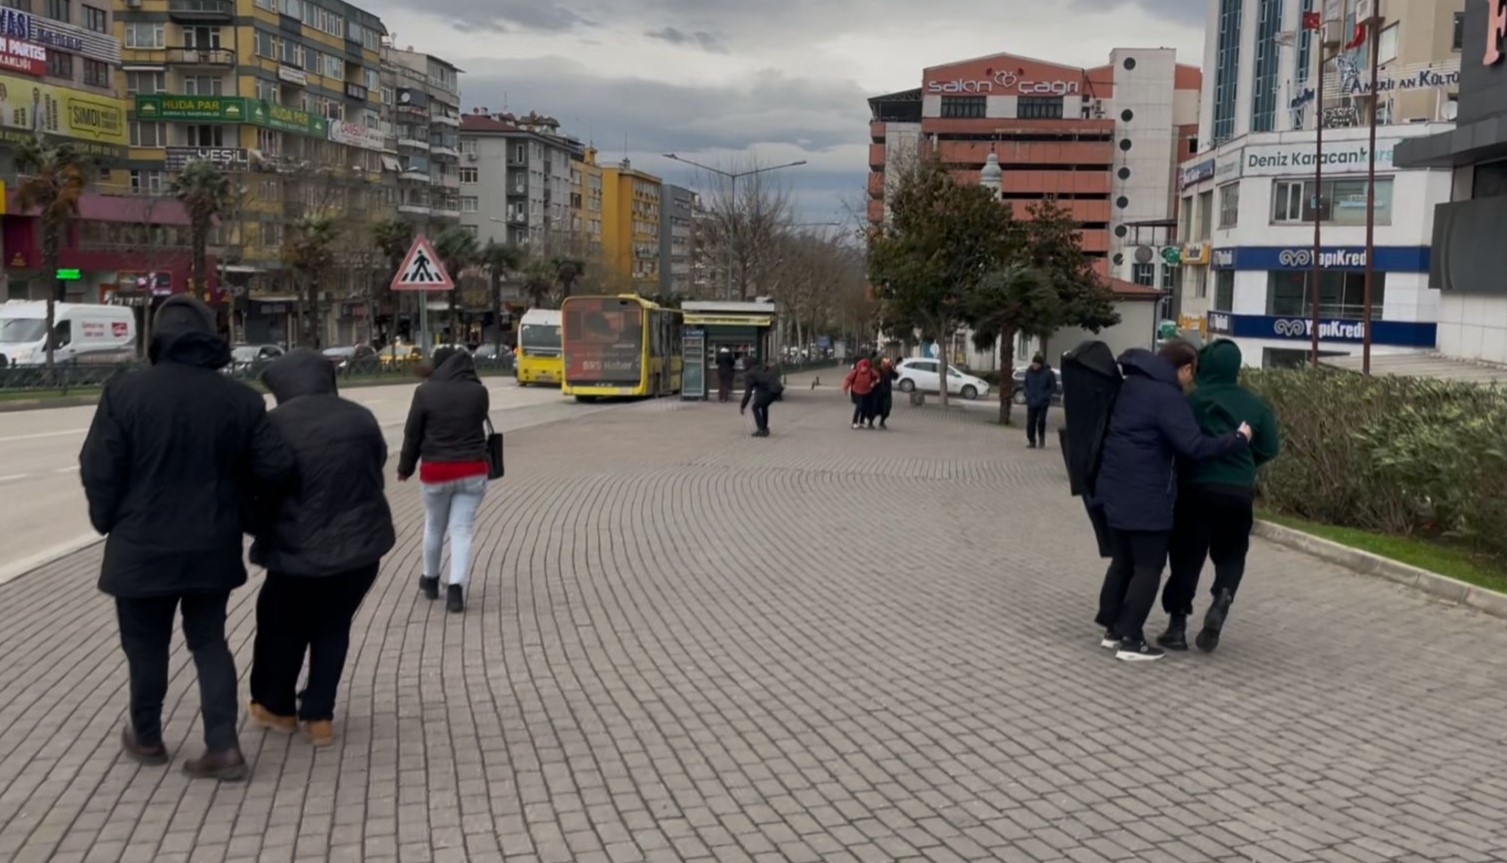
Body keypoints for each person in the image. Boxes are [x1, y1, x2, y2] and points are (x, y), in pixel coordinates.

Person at [80, 296, 293, 781]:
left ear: (158, 338)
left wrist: (107, 519)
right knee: (209, 642)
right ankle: (223, 747)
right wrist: (243, 510)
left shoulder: (124, 393)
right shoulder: (240, 399)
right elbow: (276, 467)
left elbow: (99, 467)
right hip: (211, 544)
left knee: (146, 646)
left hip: (140, 545)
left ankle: (148, 737)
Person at [247, 350, 396, 747]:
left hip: (296, 550)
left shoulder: (273, 424)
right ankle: (319, 717)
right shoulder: (359, 416)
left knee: (283, 627)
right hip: (361, 550)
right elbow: (376, 464)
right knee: (333, 627)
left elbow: (259, 485)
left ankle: (276, 709)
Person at [1091, 341, 1251, 662]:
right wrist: (1237, 439)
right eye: (1192, 373)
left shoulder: (1132, 385)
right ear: (1186, 368)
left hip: (1115, 488)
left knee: (1123, 562)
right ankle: (1132, 641)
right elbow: (1193, 446)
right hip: (1147, 495)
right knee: (1149, 567)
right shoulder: (1167, 396)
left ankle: (1113, 629)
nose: (1191, 381)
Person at [1158, 339, 1280, 653]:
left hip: (1195, 489)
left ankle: (1176, 627)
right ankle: (1223, 593)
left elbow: (1177, 439)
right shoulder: (1255, 404)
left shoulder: (1191, 400)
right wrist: (1245, 462)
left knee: (1186, 557)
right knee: (1232, 553)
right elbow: (1269, 447)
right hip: (1237, 491)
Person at [398, 346, 491, 614]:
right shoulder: (479, 392)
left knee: (434, 525)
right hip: (473, 468)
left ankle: (429, 579)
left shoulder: (425, 392)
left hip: (436, 470)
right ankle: (455, 590)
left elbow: (412, 434)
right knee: (461, 530)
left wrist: (405, 467)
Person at [1023, 354, 1057, 449]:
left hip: (1043, 402)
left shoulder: (1048, 373)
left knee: (1041, 421)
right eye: (1034, 363)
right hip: (1031, 401)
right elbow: (1025, 384)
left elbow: (1053, 387)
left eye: (1037, 364)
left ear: (1041, 364)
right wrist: (1027, 394)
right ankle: (1032, 440)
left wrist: (1045, 396)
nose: (1035, 365)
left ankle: (1041, 437)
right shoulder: (1029, 373)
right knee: (1031, 422)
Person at [740, 361, 783, 437]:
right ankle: (764, 428)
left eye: (744, 365)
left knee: (755, 407)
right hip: (777, 387)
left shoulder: (749, 374)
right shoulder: (759, 369)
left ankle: (761, 429)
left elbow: (748, 393)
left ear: (747, 365)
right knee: (763, 405)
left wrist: (742, 406)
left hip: (771, 389)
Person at [843, 357, 879, 430]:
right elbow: (848, 379)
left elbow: (877, 378)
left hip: (867, 391)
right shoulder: (855, 372)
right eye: (863, 367)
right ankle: (854, 422)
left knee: (865, 407)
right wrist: (845, 388)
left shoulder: (871, 372)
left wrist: (873, 383)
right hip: (857, 391)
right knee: (859, 407)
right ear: (859, 366)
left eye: (865, 367)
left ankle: (862, 422)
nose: (864, 369)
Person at [873, 358, 899, 430]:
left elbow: (896, 376)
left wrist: (892, 369)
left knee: (886, 408)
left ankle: (882, 422)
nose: (887, 365)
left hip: (887, 393)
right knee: (875, 408)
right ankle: (870, 422)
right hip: (877, 392)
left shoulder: (889, 371)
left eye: (888, 363)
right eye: (885, 363)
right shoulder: (877, 370)